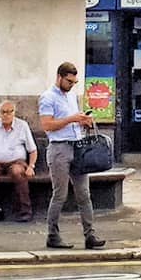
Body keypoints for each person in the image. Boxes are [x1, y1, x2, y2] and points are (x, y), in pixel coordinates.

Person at [38, 62, 103, 250]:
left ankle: (90, 235)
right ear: (59, 77)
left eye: (74, 82)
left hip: (77, 146)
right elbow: (47, 125)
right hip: (59, 148)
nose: (71, 85)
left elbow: (73, 122)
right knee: (60, 194)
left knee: (84, 194)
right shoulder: (47, 98)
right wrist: (72, 119)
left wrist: (83, 122)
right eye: (69, 81)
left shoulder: (72, 96)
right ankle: (52, 235)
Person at [0, 101, 38, 222]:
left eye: (10, 112)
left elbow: (33, 150)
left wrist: (31, 166)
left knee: (18, 172)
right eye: (3, 112)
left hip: (17, 161)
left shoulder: (22, 126)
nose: (6, 115)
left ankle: (24, 211)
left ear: (14, 113)